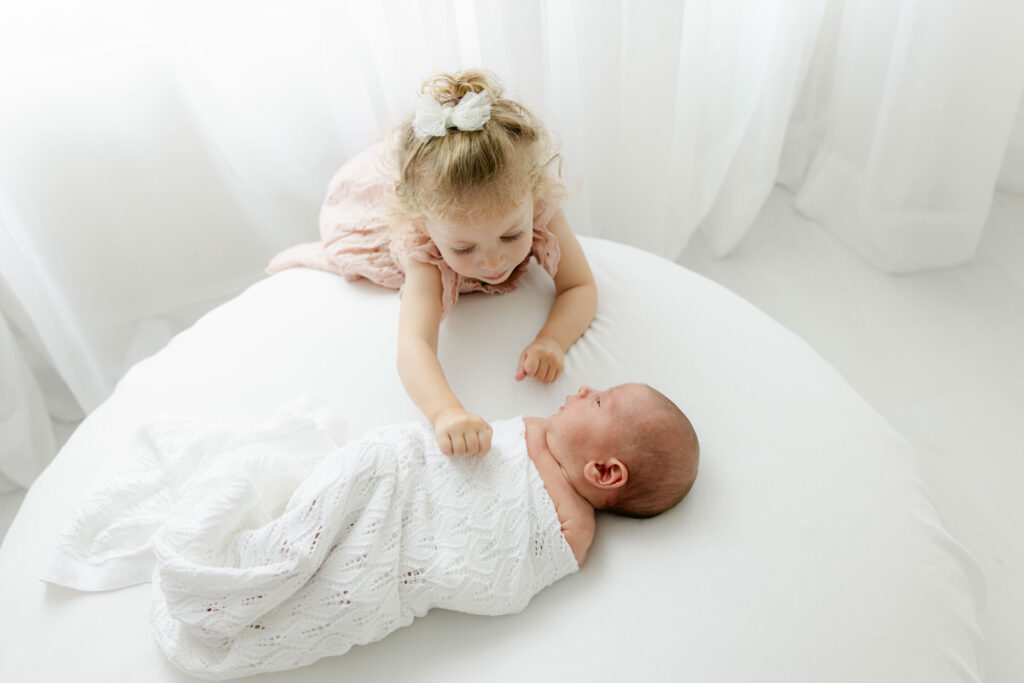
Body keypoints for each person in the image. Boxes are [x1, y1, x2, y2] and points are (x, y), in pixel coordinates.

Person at [42, 384, 699, 679]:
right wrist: (453, 428)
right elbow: (455, 446)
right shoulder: (532, 431)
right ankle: (261, 557)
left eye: (602, 401)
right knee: (372, 459)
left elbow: (499, 576)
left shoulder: (571, 532)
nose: (583, 389)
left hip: (401, 553)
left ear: (606, 470)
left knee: (355, 589)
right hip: (395, 478)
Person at [267, 69, 597, 459]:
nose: (493, 261)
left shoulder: (535, 201)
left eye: (511, 236)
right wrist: (445, 412)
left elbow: (580, 286)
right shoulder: (424, 249)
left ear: (534, 195)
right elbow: (414, 343)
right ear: (425, 228)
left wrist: (553, 340)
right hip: (376, 200)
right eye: (463, 248)